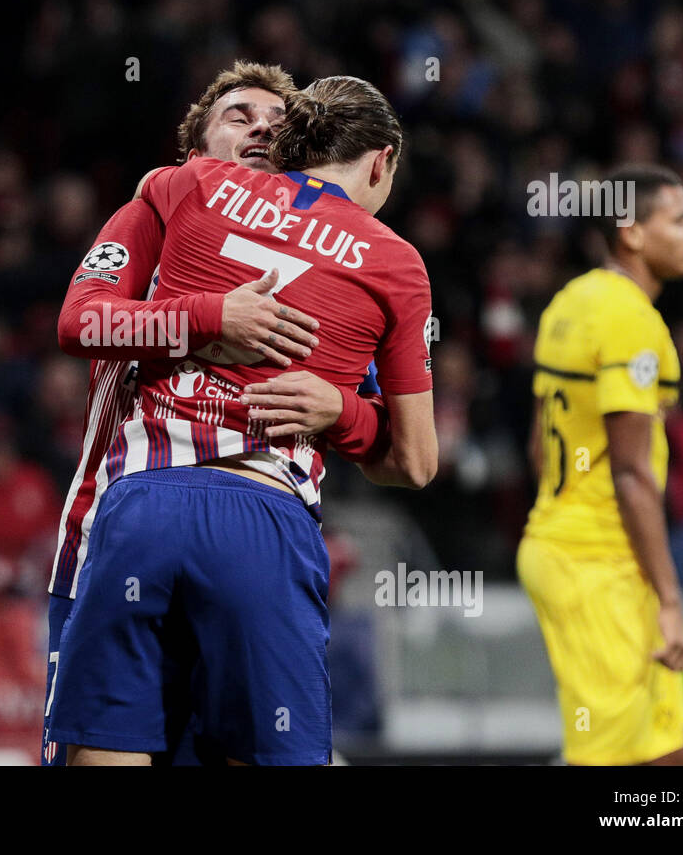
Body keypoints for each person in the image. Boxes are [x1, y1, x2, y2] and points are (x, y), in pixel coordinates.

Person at [50, 75, 437, 765]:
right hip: (237, 522)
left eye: (274, 121)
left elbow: (389, 440)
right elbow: (81, 320)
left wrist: (338, 408)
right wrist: (211, 320)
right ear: (381, 162)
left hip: (136, 511)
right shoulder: (388, 260)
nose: (259, 130)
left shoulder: (187, 190)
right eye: (239, 116)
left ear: (294, 144)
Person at [518, 163, 683, 765]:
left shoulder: (572, 301)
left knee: (672, 755)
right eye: (679, 219)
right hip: (595, 563)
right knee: (618, 766)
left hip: (579, 547)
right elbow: (631, 472)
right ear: (631, 230)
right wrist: (672, 601)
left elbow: (537, 446)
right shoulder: (631, 320)